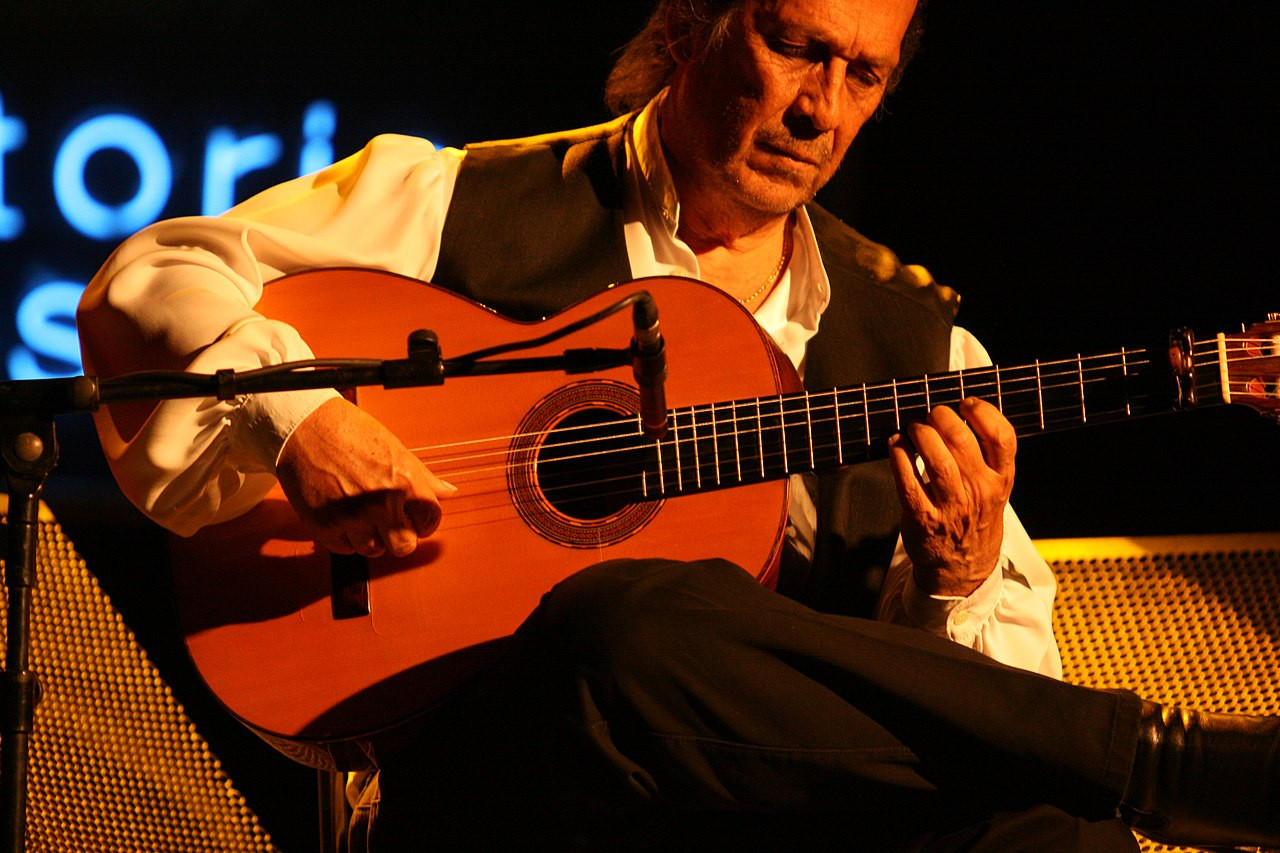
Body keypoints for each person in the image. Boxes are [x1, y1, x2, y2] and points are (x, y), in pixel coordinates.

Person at [77, 0, 1279, 850]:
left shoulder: (920, 348)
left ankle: (1168, 781)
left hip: (801, 829)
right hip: (518, 803)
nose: (821, 110)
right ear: (683, 29)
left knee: (1050, 820)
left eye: (860, 76)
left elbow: (997, 718)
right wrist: (302, 421)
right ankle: (1173, 763)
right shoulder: (456, 200)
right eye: (796, 47)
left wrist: (956, 583)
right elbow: (154, 275)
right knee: (622, 616)